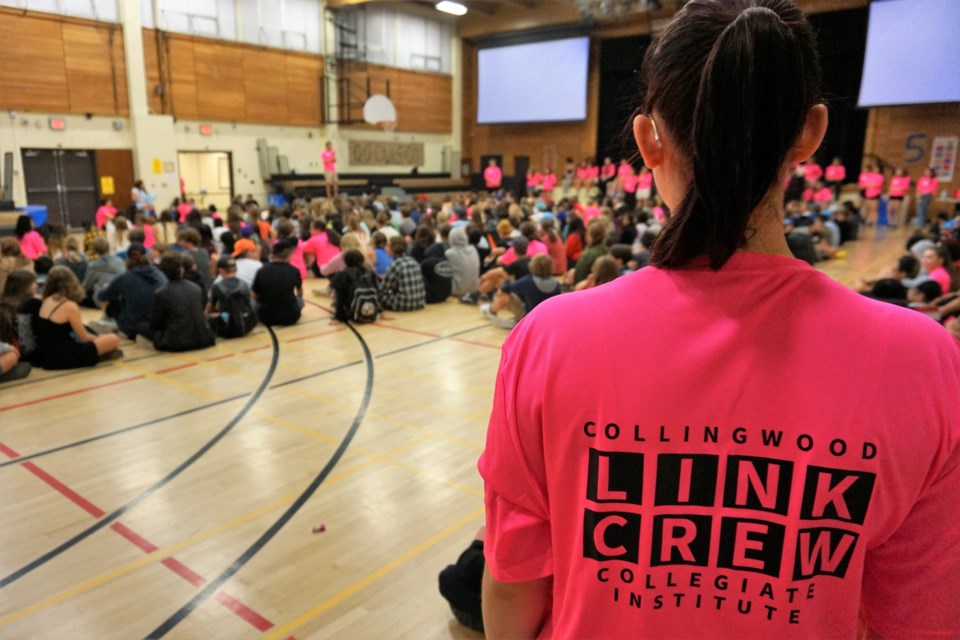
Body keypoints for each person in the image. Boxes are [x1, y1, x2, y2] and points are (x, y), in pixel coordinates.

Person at [479, 2, 960, 639]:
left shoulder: (547, 337)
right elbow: (922, 622)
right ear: (812, 132)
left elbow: (513, 583)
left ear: (648, 140)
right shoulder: (926, 361)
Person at [35, 266, 120, 369]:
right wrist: (100, 338)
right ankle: (97, 355)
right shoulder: (69, 305)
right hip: (63, 356)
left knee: (98, 337)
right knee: (113, 338)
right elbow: (84, 337)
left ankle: (98, 353)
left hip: (46, 355)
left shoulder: (47, 300)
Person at [95, 243, 167, 338]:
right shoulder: (160, 274)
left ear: (128, 259)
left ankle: (108, 322)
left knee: (109, 297)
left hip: (132, 327)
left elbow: (102, 296)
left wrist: (101, 288)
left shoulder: (124, 278)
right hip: (158, 323)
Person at [147, 253, 216, 352]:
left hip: (177, 343)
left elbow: (155, 322)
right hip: (204, 338)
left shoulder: (161, 293)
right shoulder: (195, 287)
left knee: (142, 327)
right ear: (181, 269)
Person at [252, 238, 302, 326]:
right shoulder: (294, 270)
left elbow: (254, 296)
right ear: (288, 255)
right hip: (291, 317)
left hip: (266, 317)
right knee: (299, 301)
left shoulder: (262, 270)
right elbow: (300, 292)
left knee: (254, 303)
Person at [206, 255, 257, 338]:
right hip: (248, 326)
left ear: (221, 270)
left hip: (228, 330)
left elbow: (209, 307)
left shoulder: (217, 286)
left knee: (213, 315)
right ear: (235, 269)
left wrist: (204, 318)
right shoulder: (243, 284)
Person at [379, 235, 425, 312]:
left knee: (379, 295)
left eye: (387, 246)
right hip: (419, 302)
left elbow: (383, 289)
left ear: (393, 248)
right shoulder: (414, 261)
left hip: (403, 304)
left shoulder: (395, 264)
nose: (385, 248)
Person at [82, 237, 124, 306]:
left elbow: (87, 286)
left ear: (94, 250)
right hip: (119, 297)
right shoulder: (119, 261)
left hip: (103, 299)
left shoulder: (93, 266)